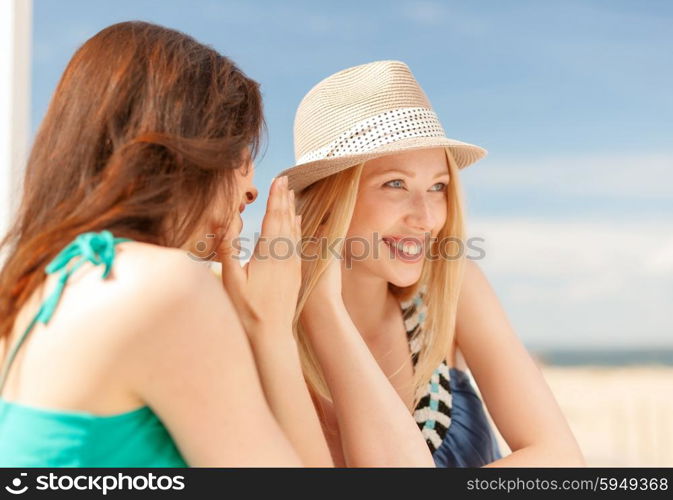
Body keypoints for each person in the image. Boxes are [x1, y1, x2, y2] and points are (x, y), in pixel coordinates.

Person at [0, 21, 332, 467]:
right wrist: (269, 327)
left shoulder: (34, 281)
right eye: (240, 155)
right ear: (187, 146)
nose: (251, 192)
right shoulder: (161, 287)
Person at [276, 60, 586, 467]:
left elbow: (561, 459)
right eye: (395, 184)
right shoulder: (268, 327)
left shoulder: (451, 287)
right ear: (330, 199)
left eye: (437, 187)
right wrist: (324, 311)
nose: (425, 218)